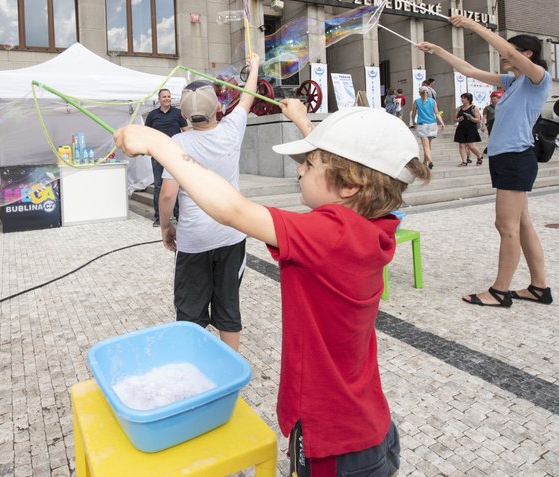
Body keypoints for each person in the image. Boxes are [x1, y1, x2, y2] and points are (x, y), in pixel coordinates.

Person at [114, 105, 429, 476]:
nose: (299, 170)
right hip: (367, 424)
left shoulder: (333, 233)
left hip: (334, 444)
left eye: (308, 165)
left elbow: (232, 209)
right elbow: (353, 164)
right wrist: (304, 123)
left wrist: (158, 144)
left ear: (349, 185)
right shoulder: (368, 227)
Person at [418, 15, 553, 307]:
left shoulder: (537, 78)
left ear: (526, 54)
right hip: (507, 157)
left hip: (516, 157)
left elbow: (510, 53)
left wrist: (474, 26)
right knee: (523, 224)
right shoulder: (512, 81)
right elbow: (468, 69)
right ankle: (539, 288)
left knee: (506, 226)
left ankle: (499, 292)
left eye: (509, 51)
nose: (503, 57)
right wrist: (437, 51)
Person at [157, 55, 260, 351]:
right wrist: (253, 68)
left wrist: (166, 226)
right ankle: (228, 371)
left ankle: (195, 368)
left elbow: (167, 195)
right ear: (218, 108)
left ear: (185, 114)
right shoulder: (231, 130)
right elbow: (246, 99)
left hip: (193, 241)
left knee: (190, 311)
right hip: (231, 234)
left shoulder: (177, 143)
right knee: (228, 306)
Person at [143, 89, 187, 227]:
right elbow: (146, 134)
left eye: (169, 96)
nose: (167, 99)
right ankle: (159, 219)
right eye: (164, 97)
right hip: (158, 154)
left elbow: (186, 131)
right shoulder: (152, 115)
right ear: (159, 99)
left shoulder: (178, 113)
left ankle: (179, 216)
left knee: (176, 184)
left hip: (174, 154)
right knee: (158, 186)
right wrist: (148, 149)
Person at [410, 86, 445, 169]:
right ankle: (425, 162)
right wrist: (442, 123)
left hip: (422, 125)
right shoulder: (433, 101)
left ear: (419, 93)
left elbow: (413, 113)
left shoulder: (417, 101)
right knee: (429, 145)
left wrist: (413, 122)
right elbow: (436, 113)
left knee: (425, 146)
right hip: (432, 124)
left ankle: (430, 161)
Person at [453, 92, 484, 166]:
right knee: (461, 145)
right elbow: (454, 119)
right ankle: (464, 161)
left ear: (469, 99)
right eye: (462, 98)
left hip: (471, 128)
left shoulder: (474, 108)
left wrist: (471, 118)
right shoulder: (459, 108)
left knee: (471, 146)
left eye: (464, 98)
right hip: (461, 128)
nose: (462, 99)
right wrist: (458, 119)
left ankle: (479, 156)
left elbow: (478, 119)